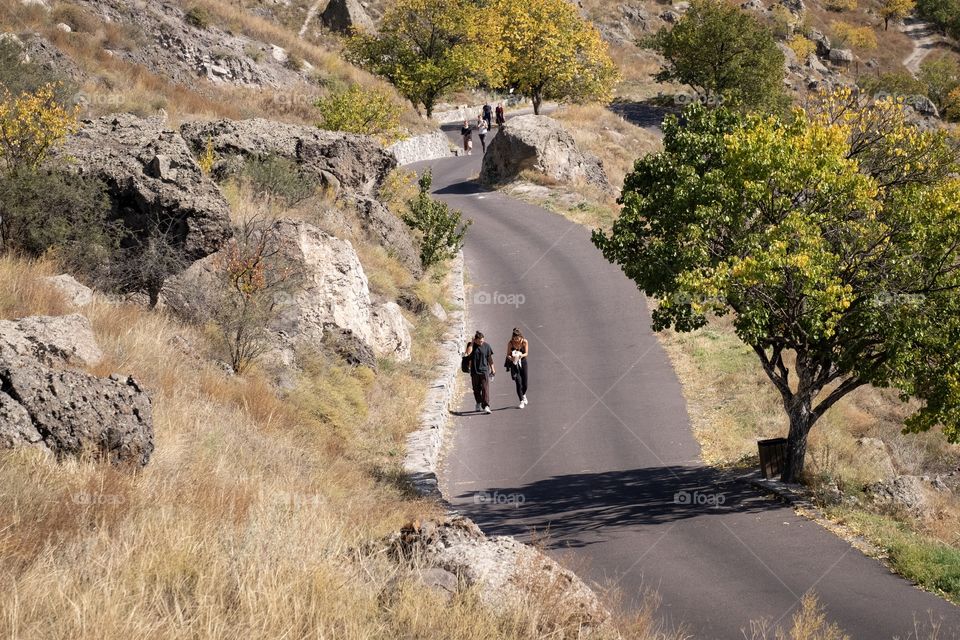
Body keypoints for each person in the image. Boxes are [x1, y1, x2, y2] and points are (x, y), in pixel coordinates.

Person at [464, 330, 495, 413]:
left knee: (485, 388)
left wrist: (493, 369)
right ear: (476, 340)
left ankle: (486, 406)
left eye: (483, 340)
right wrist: (472, 343)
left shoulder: (487, 346)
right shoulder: (471, 345)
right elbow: (468, 353)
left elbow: (490, 359)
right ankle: (478, 402)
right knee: (476, 389)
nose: (482, 342)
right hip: (474, 371)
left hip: (484, 370)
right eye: (480, 340)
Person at [504, 327, 529, 408]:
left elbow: (526, 353)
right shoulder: (510, 343)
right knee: (518, 382)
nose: (516, 340)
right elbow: (507, 354)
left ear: (520, 337)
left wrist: (520, 355)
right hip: (514, 364)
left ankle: (524, 394)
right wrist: (512, 358)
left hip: (523, 362)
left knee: (525, 383)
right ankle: (521, 401)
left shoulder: (524, 342)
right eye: (515, 338)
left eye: (518, 338)